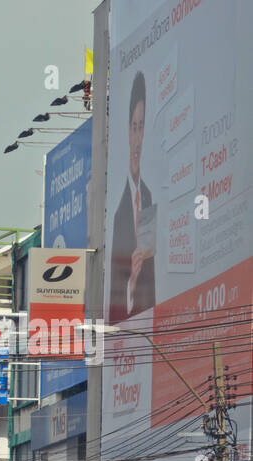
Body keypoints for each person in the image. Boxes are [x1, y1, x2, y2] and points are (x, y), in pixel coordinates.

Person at [109, 71, 155, 323]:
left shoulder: (148, 197)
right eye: (134, 128)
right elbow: (114, 309)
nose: (137, 140)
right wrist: (132, 283)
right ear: (128, 131)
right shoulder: (118, 214)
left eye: (142, 127)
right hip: (127, 337)